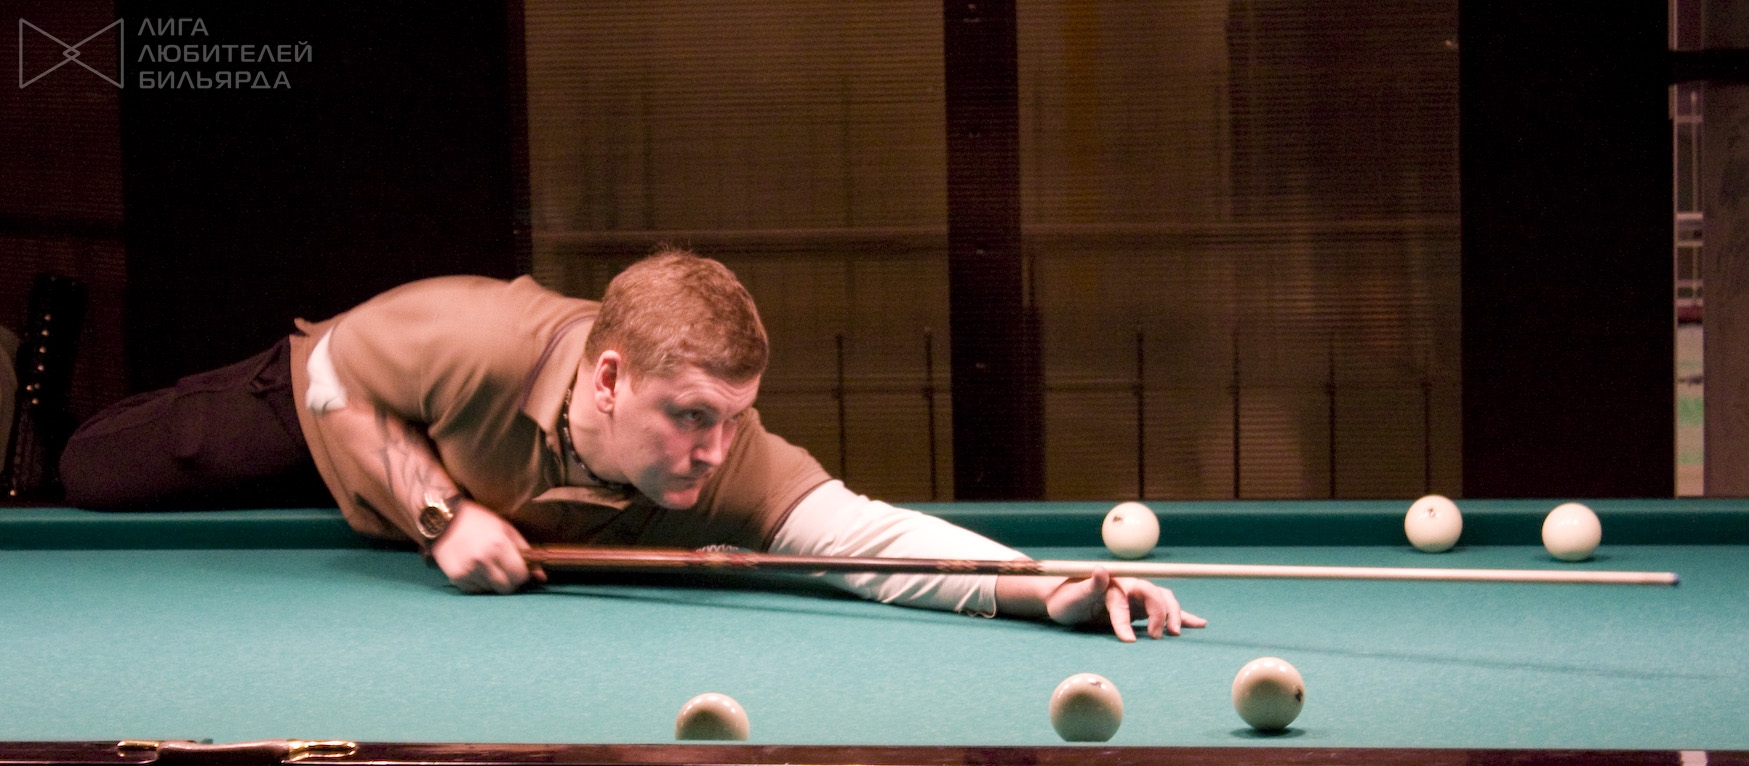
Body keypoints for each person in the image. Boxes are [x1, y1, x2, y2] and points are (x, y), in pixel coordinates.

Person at [61, 249, 1204, 641]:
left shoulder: (735, 456)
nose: (715, 446)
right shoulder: (471, 337)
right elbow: (334, 378)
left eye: (734, 414)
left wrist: (1052, 587)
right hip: (320, 411)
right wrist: (440, 515)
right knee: (91, 472)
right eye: (691, 415)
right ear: (608, 380)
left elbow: (870, 542)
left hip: (433, 469)